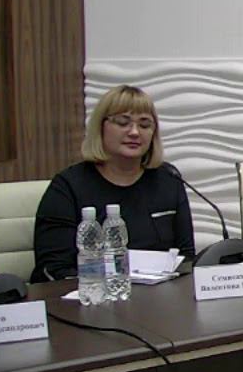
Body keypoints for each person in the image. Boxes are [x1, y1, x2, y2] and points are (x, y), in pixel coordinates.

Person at [31, 85, 194, 282]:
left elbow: (186, 259)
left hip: (158, 297)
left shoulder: (168, 180)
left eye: (144, 125)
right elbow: (54, 269)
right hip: (91, 295)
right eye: (123, 122)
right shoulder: (68, 186)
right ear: (100, 127)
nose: (134, 132)